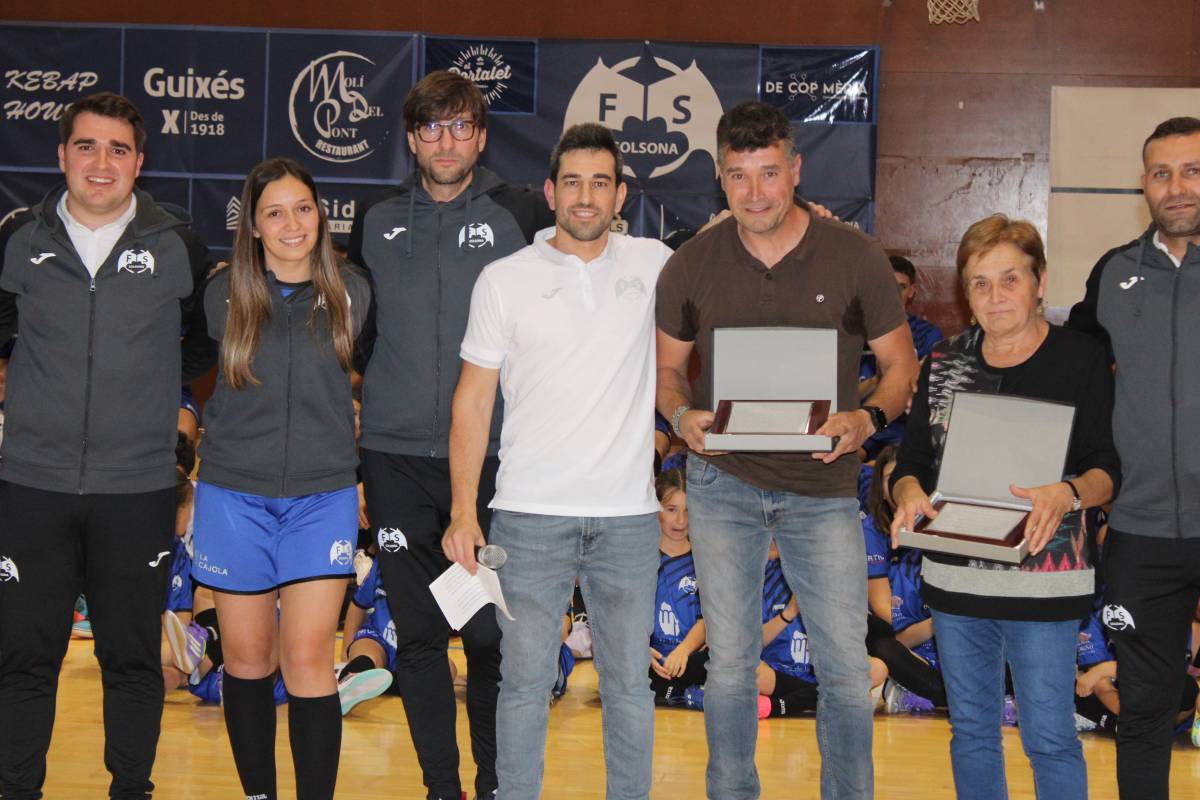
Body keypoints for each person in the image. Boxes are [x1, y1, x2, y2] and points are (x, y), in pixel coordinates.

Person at [655, 100, 917, 799]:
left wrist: (866, 418)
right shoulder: (691, 264)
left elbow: (901, 368)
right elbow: (666, 374)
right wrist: (682, 416)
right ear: (720, 177)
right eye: (738, 177)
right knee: (733, 667)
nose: (755, 193)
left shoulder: (854, 255)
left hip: (824, 488)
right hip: (722, 484)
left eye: (769, 173)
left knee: (841, 668)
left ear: (795, 169)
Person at [443, 122, 672, 800]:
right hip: (527, 518)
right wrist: (463, 509)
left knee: (630, 683)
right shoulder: (503, 280)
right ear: (550, 191)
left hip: (629, 519)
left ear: (620, 193)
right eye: (572, 181)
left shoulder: (655, 264)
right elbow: (471, 403)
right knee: (523, 683)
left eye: (600, 182)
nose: (585, 195)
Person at [0, 91, 215, 800]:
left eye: (118, 149)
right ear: (61, 155)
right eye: (86, 146)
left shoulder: (177, 243)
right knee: (25, 659)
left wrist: (140, 402)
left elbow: (197, 351)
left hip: (138, 488)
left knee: (130, 659)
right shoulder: (15, 238)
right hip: (33, 485)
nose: (102, 162)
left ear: (139, 161)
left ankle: (131, 790)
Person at [347, 69, 553, 800]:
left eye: (461, 126)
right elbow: (347, 336)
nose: (446, 141)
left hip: (495, 461)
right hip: (395, 459)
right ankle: (443, 788)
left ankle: (498, 783)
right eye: (431, 127)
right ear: (411, 138)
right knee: (421, 634)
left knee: (492, 637)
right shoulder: (372, 217)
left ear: (483, 136)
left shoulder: (520, 212)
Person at [890, 214, 1120, 800]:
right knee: (970, 733)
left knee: (1048, 737)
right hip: (955, 580)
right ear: (965, 294)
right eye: (980, 283)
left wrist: (1066, 492)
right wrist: (908, 491)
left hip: (1045, 585)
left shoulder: (1080, 358)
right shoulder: (945, 362)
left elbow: (1106, 471)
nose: (995, 297)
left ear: (1040, 281)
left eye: (1010, 279)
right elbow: (911, 463)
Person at [189, 157, 370, 800]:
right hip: (234, 495)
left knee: (307, 661)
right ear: (254, 227)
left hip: (321, 498)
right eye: (274, 212)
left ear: (320, 214)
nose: (291, 223)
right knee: (245, 660)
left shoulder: (354, 291)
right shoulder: (221, 295)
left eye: (302, 208)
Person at [1066, 115, 1200, 800]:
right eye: (1162, 172)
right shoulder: (1113, 273)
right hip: (1143, 535)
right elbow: (1070, 374)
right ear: (1143, 184)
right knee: (1146, 708)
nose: (1177, 187)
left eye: (1193, 170)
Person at [858, 256, 944, 460]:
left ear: (912, 291)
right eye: (887, 286)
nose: (893, 294)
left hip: (904, 427)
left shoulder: (928, 334)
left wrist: (902, 377)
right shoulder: (854, 333)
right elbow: (838, 397)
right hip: (861, 423)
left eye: (901, 287)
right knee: (845, 461)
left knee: (895, 464)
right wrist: (878, 381)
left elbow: (930, 396)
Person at [648, 468, 708, 708]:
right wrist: (641, 649)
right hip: (651, 659)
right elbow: (624, 614)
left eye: (688, 511)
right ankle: (686, 693)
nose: (681, 521)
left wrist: (683, 650)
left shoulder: (705, 559)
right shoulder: (641, 559)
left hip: (691, 657)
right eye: (671, 510)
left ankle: (677, 691)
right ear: (656, 509)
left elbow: (708, 619)